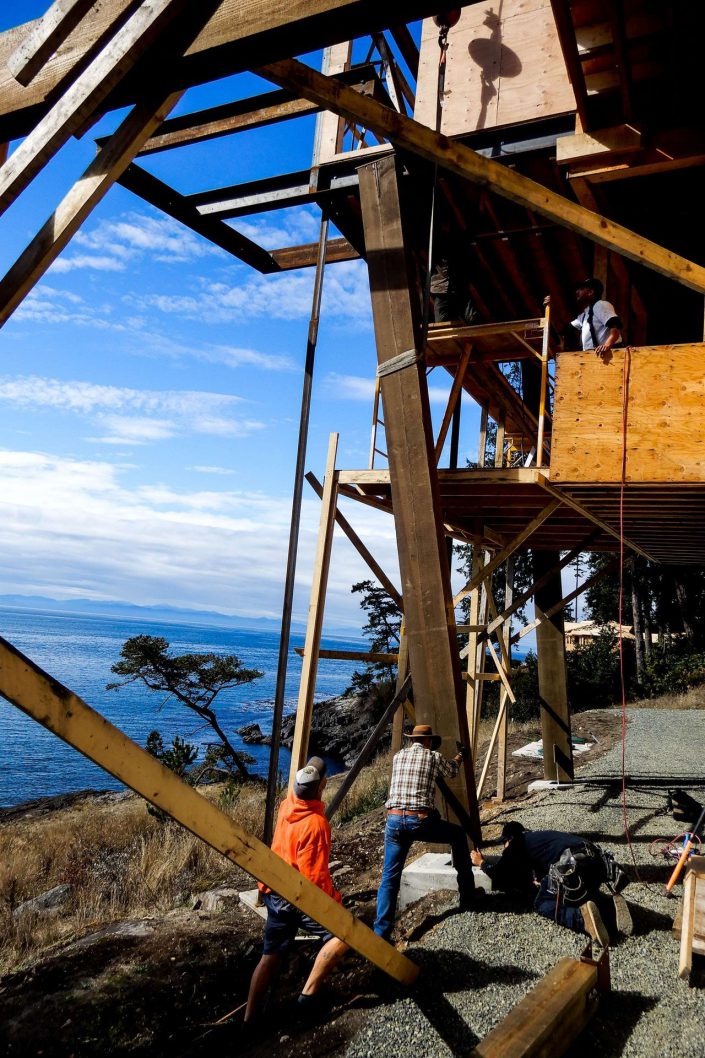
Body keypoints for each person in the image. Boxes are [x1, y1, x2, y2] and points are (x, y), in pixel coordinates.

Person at [245, 757, 348, 1023]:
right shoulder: (316, 825)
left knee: (269, 957)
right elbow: (314, 879)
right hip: (295, 897)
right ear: (322, 786)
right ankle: (307, 999)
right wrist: (335, 902)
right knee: (343, 935)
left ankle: (249, 1018)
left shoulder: (286, 806)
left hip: (273, 891)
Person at [374, 724, 477, 940]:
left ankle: (380, 934)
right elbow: (452, 770)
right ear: (429, 741)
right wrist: (461, 755)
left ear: (412, 740)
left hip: (393, 820)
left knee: (389, 877)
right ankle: (468, 897)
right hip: (418, 820)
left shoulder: (398, 756)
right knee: (457, 835)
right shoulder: (432, 757)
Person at [471, 821, 631, 946]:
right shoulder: (540, 838)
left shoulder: (516, 843)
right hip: (595, 860)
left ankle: (583, 919)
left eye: (504, 843)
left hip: (573, 866)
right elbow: (544, 861)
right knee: (577, 893)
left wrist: (482, 863)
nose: (503, 847)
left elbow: (501, 874)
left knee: (543, 903)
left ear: (510, 839)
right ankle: (610, 907)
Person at [570, 277, 623, 359]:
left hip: (607, 356)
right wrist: (549, 308)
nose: (577, 292)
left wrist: (607, 345)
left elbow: (616, 325)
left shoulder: (600, 305)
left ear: (590, 292)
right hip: (594, 356)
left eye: (581, 289)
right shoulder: (585, 314)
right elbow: (565, 329)